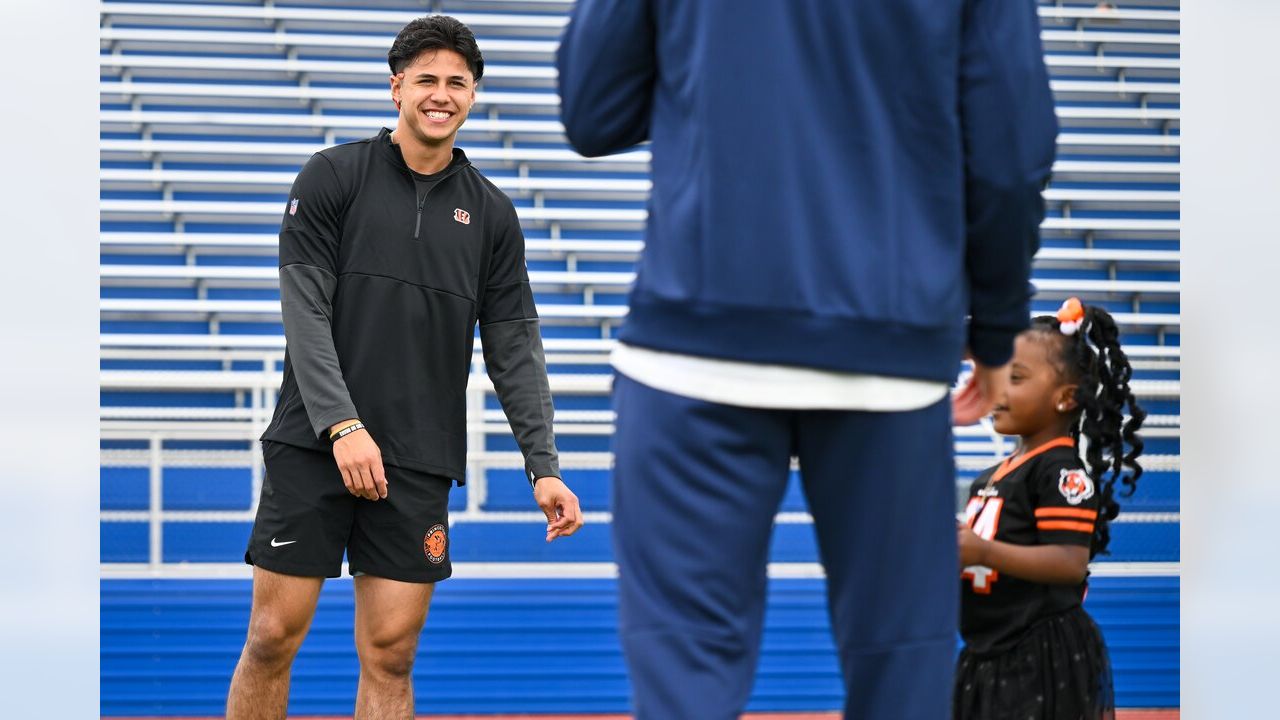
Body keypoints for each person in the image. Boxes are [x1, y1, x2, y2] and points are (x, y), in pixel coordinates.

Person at [557, 0, 1058, 717]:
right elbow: (1011, 152)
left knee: (684, 683)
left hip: (694, 341)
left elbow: (594, 107)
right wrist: (998, 324)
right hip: (890, 347)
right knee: (901, 675)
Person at [225, 15, 584, 719]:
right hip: (314, 443)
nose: (441, 93)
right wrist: (342, 425)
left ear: (473, 96)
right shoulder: (333, 176)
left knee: (391, 653)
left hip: (418, 458)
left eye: (457, 82)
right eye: (426, 79)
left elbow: (515, 349)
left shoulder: (494, 217)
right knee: (271, 636)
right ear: (397, 89)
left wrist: (543, 464)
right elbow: (304, 314)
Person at [955, 298, 1146, 720]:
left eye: (1016, 377)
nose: (997, 389)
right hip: (986, 651)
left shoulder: (1060, 471)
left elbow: (1068, 562)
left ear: (1065, 397)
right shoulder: (987, 478)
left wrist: (982, 552)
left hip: (1038, 657)